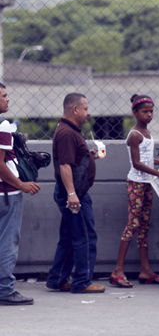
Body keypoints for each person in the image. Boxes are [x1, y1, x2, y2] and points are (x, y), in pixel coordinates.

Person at [109, 95, 159, 288]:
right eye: (145, 111)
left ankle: (145, 270)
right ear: (135, 113)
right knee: (133, 224)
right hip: (136, 184)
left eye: (151, 111)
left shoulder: (147, 132)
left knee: (144, 225)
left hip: (147, 184)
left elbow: (145, 158)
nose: (149, 114)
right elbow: (136, 164)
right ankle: (118, 270)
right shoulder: (135, 134)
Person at [46, 93, 105, 294]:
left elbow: (73, 159)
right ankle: (82, 281)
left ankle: (57, 279)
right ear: (75, 109)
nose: (89, 113)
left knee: (69, 237)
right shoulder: (67, 133)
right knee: (85, 237)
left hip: (74, 193)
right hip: (74, 195)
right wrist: (72, 195)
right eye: (86, 108)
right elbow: (64, 165)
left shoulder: (70, 131)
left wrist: (90, 156)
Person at [0, 83, 41, 306]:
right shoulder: (3, 127)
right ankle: (5, 289)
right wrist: (21, 184)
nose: (8, 100)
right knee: (7, 241)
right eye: (4, 96)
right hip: (6, 193)